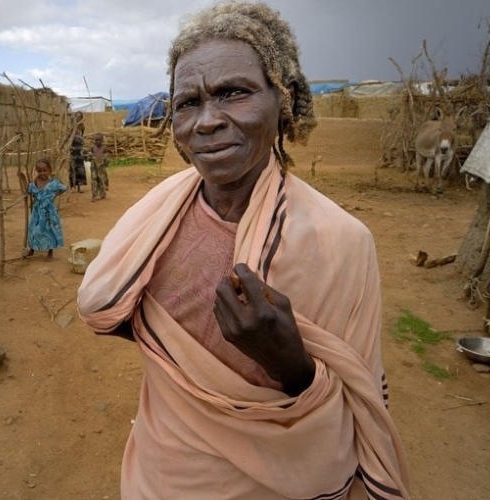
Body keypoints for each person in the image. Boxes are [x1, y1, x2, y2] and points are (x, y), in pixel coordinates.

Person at [77, 2, 411, 499]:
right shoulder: (154, 217)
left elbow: (356, 403)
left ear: (285, 101)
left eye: (233, 92)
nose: (206, 121)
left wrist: (289, 362)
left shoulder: (341, 242)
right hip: (160, 473)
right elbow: (123, 316)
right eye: (188, 102)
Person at [25, 158, 67, 260]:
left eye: (45, 170)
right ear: (36, 171)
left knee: (49, 231)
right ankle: (32, 248)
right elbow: (29, 191)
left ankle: (50, 252)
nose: (42, 173)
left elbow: (64, 188)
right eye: (39, 171)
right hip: (37, 211)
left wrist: (54, 195)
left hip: (49, 211)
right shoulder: (34, 182)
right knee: (34, 230)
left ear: (49, 170)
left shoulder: (53, 183)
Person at [89, 133, 109, 201]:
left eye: (99, 140)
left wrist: (105, 163)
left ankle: (102, 194)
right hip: (93, 168)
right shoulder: (92, 148)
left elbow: (107, 158)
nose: (98, 142)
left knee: (101, 180)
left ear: (102, 141)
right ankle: (94, 195)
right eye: (96, 140)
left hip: (101, 168)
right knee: (94, 181)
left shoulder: (104, 148)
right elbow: (89, 157)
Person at [69, 122, 87, 192]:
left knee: (79, 171)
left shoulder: (80, 129)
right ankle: (72, 187)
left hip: (78, 155)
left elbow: (82, 145)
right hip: (73, 155)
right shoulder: (71, 134)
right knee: (72, 171)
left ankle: (79, 187)